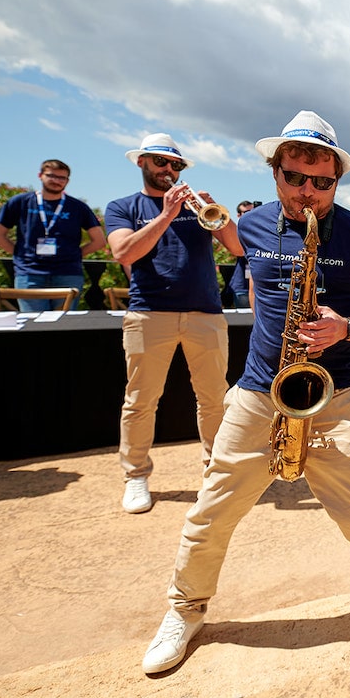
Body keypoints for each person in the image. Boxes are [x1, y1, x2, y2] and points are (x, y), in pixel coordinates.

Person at [141, 110, 350, 675]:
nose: (309, 191)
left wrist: (346, 328)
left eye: (323, 182)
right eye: (296, 177)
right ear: (275, 172)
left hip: (338, 392)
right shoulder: (254, 226)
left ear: (337, 180)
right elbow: (258, 289)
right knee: (212, 509)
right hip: (261, 389)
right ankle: (186, 608)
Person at [105, 134, 242, 515]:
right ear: (142, 162)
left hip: (205, 313)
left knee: (214, 399)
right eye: (161, 162)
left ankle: (216, 472)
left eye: (176, 164)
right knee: (140, 401)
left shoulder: (197, 206)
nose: (169, 169)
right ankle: (136, 475)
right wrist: (166, 214)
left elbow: (237, 247)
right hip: (149, 313)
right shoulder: (123, 207)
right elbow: (123, 252)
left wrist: (216, 213)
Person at [0, 159, 105, 311]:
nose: (56, 181)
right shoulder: (20, 202)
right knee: (33, 322)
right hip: (29, 273)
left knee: (63, 323)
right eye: (51, 176)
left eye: (62, 178)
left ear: (67, 181)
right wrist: (21, 255)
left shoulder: (78, 207)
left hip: (68, 274)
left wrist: (74, 255)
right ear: (40, 175)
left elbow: (99, 241)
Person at [229, 201, 255, 309]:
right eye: (246, 212)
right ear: (239, 215)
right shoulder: (236, 231)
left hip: (258, 286)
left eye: (253, 211)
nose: (251, 214)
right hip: (242, 287)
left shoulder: (260, 230)